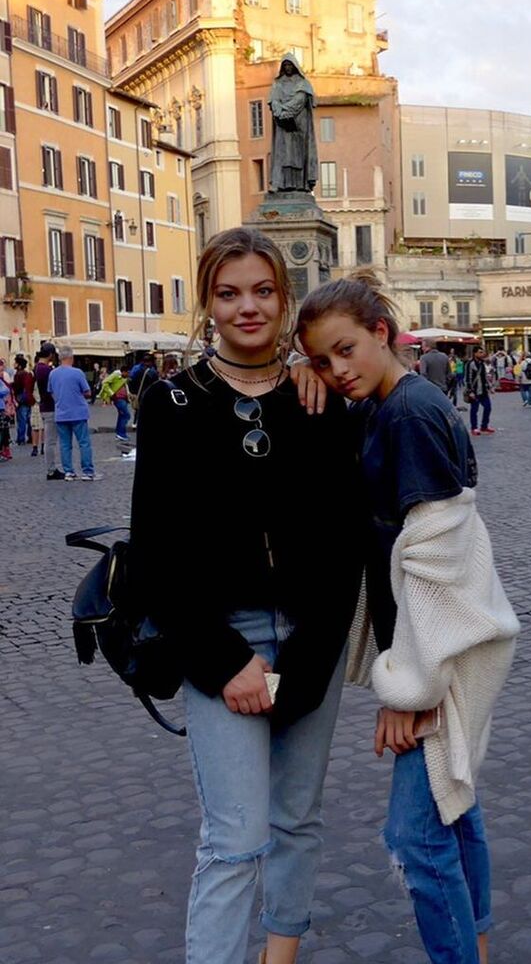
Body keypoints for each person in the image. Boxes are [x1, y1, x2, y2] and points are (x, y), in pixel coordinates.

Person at [130, 227, 364, 964]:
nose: (248, 307)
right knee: (234, 836)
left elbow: (345, 543)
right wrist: (223, 661)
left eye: (263, 290)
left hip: (309, 636)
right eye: (229, 293)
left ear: (284, 297)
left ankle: (279, 957)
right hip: (220, 641)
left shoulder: (318, 399)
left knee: (297, 819)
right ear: (208, 303)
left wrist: (312, 655)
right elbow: (156, 554)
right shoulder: (171, 402)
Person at [296, 278, 519, 964]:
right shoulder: (390, 402)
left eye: (346, 350)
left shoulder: (408, 415)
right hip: (449, 642)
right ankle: (478, 946)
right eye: (325, 360)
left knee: (415, 836)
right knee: (455, 806)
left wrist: (410, 690)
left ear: (381, 333)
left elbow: (434, 564)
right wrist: (299, 367)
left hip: (439, 653)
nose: (338, 371)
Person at [268, 53, 318, 192]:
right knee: (282, 153)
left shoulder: (303, 83)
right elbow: (273, 100)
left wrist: (285, 110)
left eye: (290, 65)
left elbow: (300, 100)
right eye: (285, 65)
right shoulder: (278, 84)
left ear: (295, 66)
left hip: (299, 124)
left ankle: (300, 184)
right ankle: (280, 183)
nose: (288, 67)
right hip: (282, 124)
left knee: (298, 154)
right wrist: (279, 111)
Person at [48, 346, 97, 480]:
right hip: (78, 412)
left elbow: (51, 392)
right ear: (71, 357)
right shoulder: (77, 373)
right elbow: (87, 392)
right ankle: (87, 471)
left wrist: (60, 400)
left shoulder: (53, 374)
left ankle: (68, 471)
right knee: (84, 443)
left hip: (61, 413)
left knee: (65, 444)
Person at [35, 344, 60, 478]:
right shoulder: (46, 370)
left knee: (50, 440)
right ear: (50, 354)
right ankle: (51, 470)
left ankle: (51, 468)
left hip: (44, 406)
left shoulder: (38, 368)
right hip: (50, 407)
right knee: (50, 441)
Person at [464, 346, 493, 436]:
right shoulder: (470, 364)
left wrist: (489, 387)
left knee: (488, 407)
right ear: (475, 353)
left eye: (482, 352)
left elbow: (484, 376)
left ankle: (484, 426)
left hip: (483, 390)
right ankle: (474, 428)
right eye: (480, 352)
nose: (482, 354)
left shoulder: (482, 363)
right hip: (474, 390)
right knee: (474, 410)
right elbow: (468, 378)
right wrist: (470, 391)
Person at [99, 368, 132, 442]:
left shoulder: (123, 378)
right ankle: (121, 434)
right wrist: (111, 393)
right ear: (123, 371)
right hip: (119, 399)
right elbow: (104, 382)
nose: (128, 374)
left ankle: (119, 433)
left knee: (121, 415)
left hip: (122, 399)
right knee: (126, 415)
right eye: (127, 372)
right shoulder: (116, 375)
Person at [12, 354, 34, 447]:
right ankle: (30, 437)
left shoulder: (18, 374)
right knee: (29, 419)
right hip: (28, 398)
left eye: (15, 363)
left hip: (21, 399)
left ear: (19, 365)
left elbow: (16, 387)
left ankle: (21, 438)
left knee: (21, 420)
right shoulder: (27, 374)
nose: (14, 364)